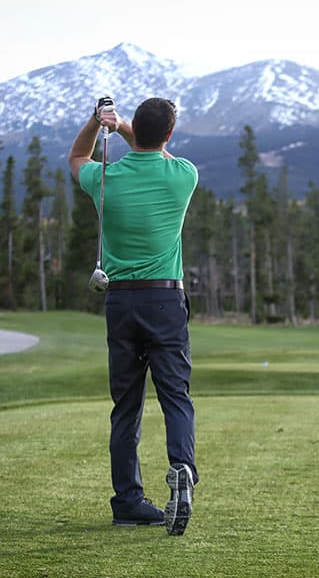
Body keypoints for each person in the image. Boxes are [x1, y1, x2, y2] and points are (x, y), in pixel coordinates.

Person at [68, 97, 199, 536]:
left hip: (121, 303)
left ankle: (127, 502)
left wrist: (96, 122)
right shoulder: (183, 175)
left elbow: (76, 157)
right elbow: (153, 146)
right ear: (169, 135)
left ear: (133, 129)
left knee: (126, 406)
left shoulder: (104, 177)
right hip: (165, 302)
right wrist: (123, 125)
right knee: (175, 396)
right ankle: (182, 468)